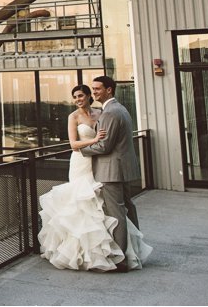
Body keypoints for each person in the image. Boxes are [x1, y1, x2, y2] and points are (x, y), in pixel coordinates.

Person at [38, 83, 152, 271]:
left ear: (89, 96)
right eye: (74, 97)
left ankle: (109, 248)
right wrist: (95, 140)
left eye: (81, 96)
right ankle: (82, 252)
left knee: (103, 204)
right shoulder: (73, 117)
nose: (77, 100)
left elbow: (109, 139)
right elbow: (74, 144)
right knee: (82, 203)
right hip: (81, 161)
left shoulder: (102, 113)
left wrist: (99, 143)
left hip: (100, 162)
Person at [80, 75, 152, 271]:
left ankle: (121, 259)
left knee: (117, 214)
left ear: (109, 90)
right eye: (93, 89)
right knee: (128, 208)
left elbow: (104, 146)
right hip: (122, 168)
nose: (94, 92)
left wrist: (82, 150)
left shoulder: (110, 113)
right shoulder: (121, 109)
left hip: (111, 171)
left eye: (97, 89)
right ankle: (135, 250)